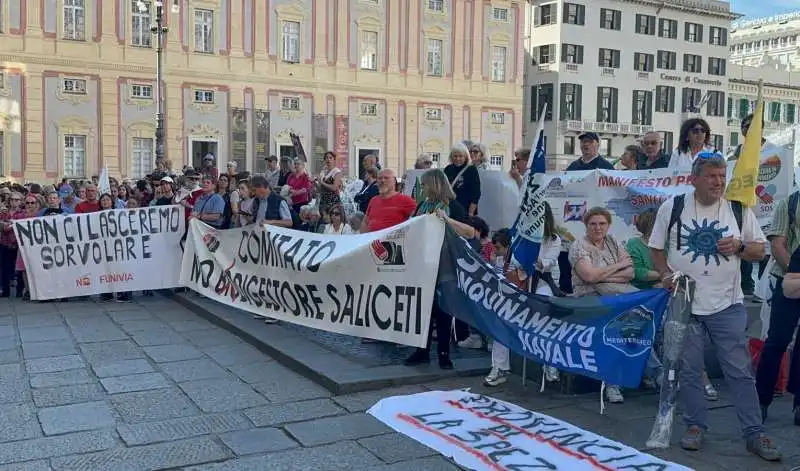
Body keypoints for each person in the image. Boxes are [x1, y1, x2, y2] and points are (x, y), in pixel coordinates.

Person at [649, 154, 780, 461]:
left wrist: (740, 247)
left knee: (739, 370)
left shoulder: (737, 208)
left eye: (722, 176)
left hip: (727, 303)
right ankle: (695, 426)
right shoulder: (674, 207)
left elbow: (760, 250)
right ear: (694, 178)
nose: (718, 182)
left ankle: (754, 433)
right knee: (691, 371)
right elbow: (655, 248)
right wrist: (666, 274)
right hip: (684, 302)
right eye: (711, 176)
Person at [404, 169, 478, 369]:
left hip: (445, 265)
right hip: (424, 264)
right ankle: (422, 351)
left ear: (435, 184)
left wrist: (446, 219)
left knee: (443, 310)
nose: (423, 188)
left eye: (425, 184)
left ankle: (444, 353)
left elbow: (470, 233)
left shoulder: (453, 206)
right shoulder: (422, 205)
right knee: (423, 310)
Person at [485, 204, 562, 387]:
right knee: (501, 318)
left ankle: (550, 363)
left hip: (540, 282)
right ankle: (500, 367)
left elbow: (548, 264)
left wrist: (532, 256)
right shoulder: (517, 237)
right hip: (517, 282)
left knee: (546, 313)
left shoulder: (553, 239)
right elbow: (510, 262)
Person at [569, 206, 635, 404]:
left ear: (608, 225)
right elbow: (588, 276)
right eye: (593, 224)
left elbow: (631, 272)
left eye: (602, 223)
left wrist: (601, 276)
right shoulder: (579, 246)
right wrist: (617, 267)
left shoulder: (614, 241)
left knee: (641, 324)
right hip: (590, 300)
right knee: (614, 328)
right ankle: (611, 383)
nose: (598, 227)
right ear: (586, 225)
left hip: (617, 297)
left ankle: (650, 372)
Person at [756, 186, 800, 425]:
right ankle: (761, 401)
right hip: (788, 280)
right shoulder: (790, 202)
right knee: (777, 341)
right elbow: (778, 245)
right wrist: (795, 274)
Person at [731, 113, 776, 296]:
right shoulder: (738, 150)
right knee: (746, 242)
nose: (747, 129)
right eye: (744, 126)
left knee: (766, 247)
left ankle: (765, 289)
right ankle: (747, 286)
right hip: (746, 204)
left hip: (768, 206)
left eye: (751, 125)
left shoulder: (774, 149)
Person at [626, 209, 661, 290]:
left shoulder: (667, 243)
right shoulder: (634, 244)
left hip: (666, 287)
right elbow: (638, 272)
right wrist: (666, 275)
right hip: (642, 291)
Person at [444, 143, 481, 216]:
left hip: (465, 210)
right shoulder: (448, 169)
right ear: (451, 156)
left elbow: (476, 193)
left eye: (460, 156)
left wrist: (470, 213)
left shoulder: (471, 170)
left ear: (466, 157)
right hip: (449, 209)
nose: (457, 159)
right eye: (455, 156)